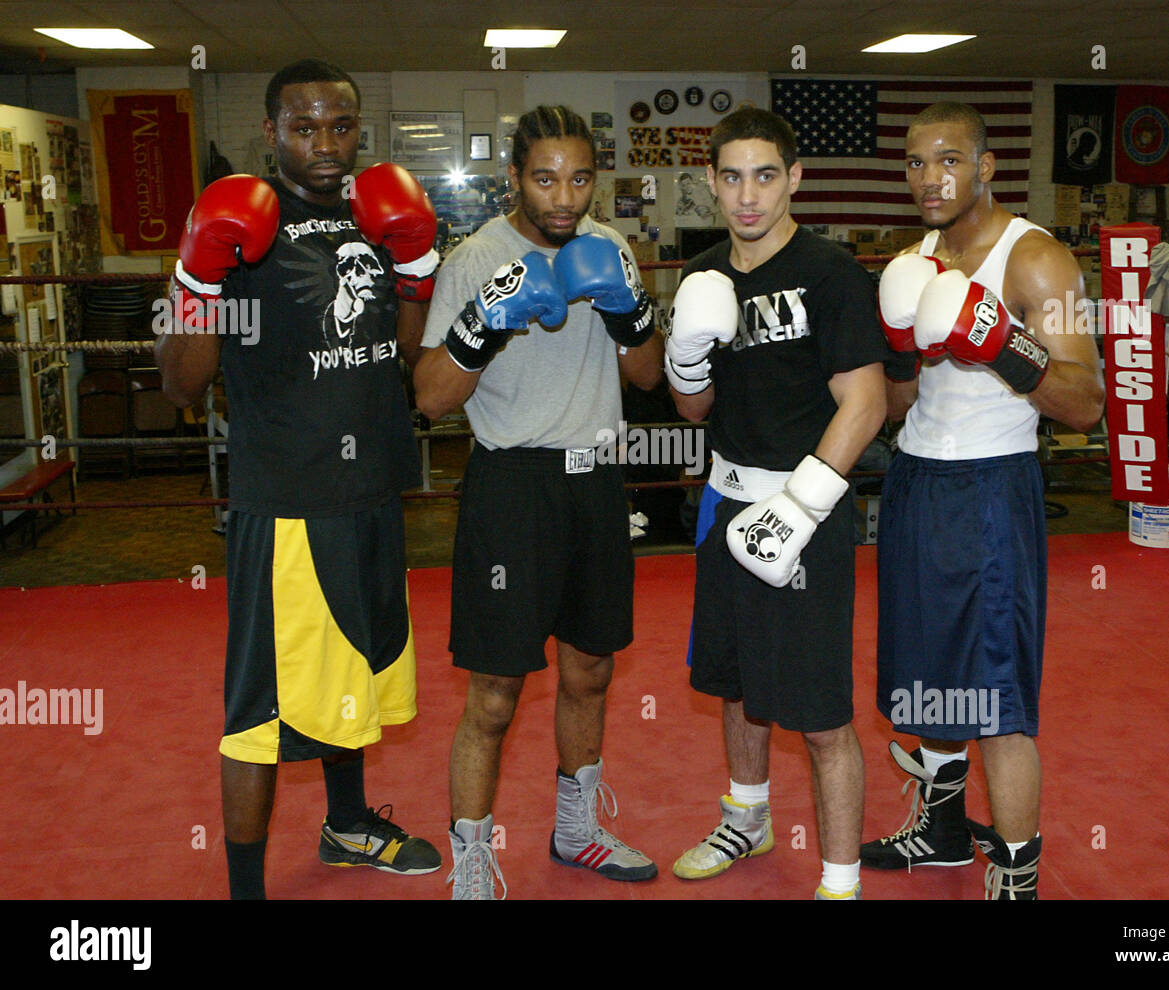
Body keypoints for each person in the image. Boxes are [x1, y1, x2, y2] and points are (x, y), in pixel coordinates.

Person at [156, 59, 442, 899]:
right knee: (262, 713)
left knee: (354, 674)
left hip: (373, 493)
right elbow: (179, 384)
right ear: (272, 130)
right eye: (305, 127)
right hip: (287, 505)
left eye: (340, 127)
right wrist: (199, 272)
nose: (325, 145)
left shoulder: (373, 216)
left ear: (361, 131)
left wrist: (419, 269)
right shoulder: (246, 222)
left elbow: (404, 355)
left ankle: (348, 824)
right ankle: (246, 890)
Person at [413, 106, 663, 900]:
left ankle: (576, 830)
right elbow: (429, 398)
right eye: (546, 178)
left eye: (580, 178)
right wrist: (484, 324)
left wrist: (632, 310)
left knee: (590, 670)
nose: (564, 197)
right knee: (494, 692)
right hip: (511, 485)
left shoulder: (610, 247)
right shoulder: (476, 257)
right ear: (515, 177)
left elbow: (649, 376)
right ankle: (474, 861)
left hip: (595, 482)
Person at [860, 102, 1104, 899]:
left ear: (988, 166)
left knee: (998, 693)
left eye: (950, 159)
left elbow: (1087, 402)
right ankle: (940, 828)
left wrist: (1003, 344)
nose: (930, 178)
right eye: (915, 163)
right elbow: (897, 407)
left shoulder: (1038, 260)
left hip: (994, 487)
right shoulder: (914, 262)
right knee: (928, 667)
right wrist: (902, 349)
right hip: (918, 481)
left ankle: (1017, 872)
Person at [665, 107, 888, 900]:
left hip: (806, 512)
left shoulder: (830, 274)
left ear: (794, 178)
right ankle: (747, 818)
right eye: (732, 177)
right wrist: (685, 362)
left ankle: (839, 880)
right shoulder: (703, 275)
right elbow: (693, 412)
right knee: (734, 685)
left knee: (821, 713)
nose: (748, 196)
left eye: (766, 175)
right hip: (724, 507)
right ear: (712, 184)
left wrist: (798, 509)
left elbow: (865, 404)